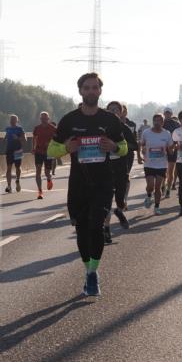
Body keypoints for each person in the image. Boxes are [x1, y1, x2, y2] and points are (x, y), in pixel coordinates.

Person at [48, 73, 127, 297]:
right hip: (78, 183)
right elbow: (50, 151)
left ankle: (93, 274)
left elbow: (124, 148)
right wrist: (66, 148)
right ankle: (87, 270)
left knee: (96, 225)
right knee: (82, 231)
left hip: (103, 181)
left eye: (95, 87)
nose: (91, 91)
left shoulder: (110, 120)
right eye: (87, 88)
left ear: (100, 91)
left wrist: (113, 146)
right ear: (81, 91)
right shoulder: (69, 120)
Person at [103, 100, 134, 240]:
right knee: (106, 201)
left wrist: (118, 146)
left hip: (121, 166)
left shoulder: (124, 128)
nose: (114, 111)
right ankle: (106, 229)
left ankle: (119, 211)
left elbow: (134, 145)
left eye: (116, 109)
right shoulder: (101, 127)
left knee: (120, 200)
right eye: (111, 109)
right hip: (105, 167)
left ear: (121, 112)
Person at [141, 114, 173, 214]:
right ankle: (148, 196)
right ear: (153, 121)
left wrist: (172, 149)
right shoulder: (146, 132)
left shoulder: (167, 134)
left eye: (159, 121)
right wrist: (141, 152)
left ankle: (157, 207)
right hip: (149, 164)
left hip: (161, 164)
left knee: (158, 187)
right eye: (155, 120)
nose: (157, 122)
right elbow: (141, 144)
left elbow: (170, 148)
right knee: (150, 186)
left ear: (163, 123)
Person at [31, 111, 57, 200]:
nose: (43, 120)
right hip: (38, 151)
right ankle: (40, 191)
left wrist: (50, 144)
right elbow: (34, 138)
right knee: (38, 171)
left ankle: (49, 179)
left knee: (46, 172)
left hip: (48, 152)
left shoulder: (52, 128)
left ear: (48, 119)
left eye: (45, 118)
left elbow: (57, 139)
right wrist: (33, 148)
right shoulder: (37, 128)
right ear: (40, 119)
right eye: (42, 118)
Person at [3, 115, 26, 193]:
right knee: (8, 168)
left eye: (14, 120)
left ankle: (17, 180)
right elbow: (6, 137)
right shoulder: (7, 129)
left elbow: (24, 139)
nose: (12, 121)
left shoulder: (20, 129)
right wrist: (4, 139)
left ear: (17, 121)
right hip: (9, 150)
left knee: (17, 167)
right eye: (11, 119)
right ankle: (9, 186)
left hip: (17, 151)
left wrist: (18, 138)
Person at [161, 108, 179, 196]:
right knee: (163, 170)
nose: (167, 114)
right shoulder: (161, 122)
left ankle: (168, 189)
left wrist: (173, 146)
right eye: (166, 113)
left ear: (171, 114)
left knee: (171, 170)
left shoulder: (176, 124)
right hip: (162, 149)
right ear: (164, 114)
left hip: (173, 149)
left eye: (169, 113)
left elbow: (179, 136)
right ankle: (162, 185)